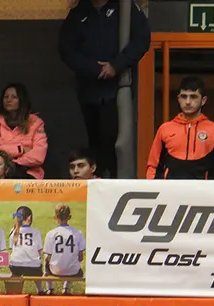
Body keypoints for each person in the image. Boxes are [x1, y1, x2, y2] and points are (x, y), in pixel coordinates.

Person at [59, 0, 150, 178]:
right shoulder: (78, 13)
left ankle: (116, 181)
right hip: (89, 90)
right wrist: (94, 69)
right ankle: (98, 179)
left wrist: (116, 65)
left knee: (115, 140)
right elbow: (66, 50)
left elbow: (142, 39)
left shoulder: (125, 7)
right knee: (95, 141)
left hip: (118, 89)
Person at [147, 76, 214, 180]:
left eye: (193, 97)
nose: (187, 102)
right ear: (178, 99)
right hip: (171, 189)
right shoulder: (165, 129)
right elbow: (153, 167)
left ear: (203, 100)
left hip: (204, 190)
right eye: (184, 96)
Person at [0, 83, 47, 179]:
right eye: (6, 97)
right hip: (0, 174)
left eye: (14, 97)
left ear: (22, 100)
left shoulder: (36, 123)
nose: (9, 100)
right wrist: (20, 149)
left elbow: (38, 157)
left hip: (28, 174)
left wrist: (12, 163)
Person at [43, 204, 85, 296]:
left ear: (55, 217)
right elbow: (81, 257)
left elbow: (48, 258)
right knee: (73, 260)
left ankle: (50, 289)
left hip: (55, 270)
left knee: (46, 258)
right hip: (73, 271)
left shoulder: (50, 234)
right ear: (69, 217)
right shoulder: (78, 233)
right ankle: (66, 288)